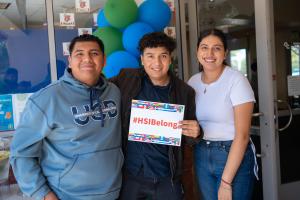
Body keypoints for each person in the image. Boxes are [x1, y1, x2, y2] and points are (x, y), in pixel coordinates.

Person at [10, 34, 123, 200]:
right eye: (79, 54)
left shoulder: (115, 92)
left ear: (104, 60)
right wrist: (43, 194)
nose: (87, 59)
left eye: (94, 53)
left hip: (114, 193)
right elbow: (21, 154)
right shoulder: (46, 99)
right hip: (67, 195)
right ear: (70, 60)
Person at [110, 32, 201, 200]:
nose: (157, 63)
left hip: (167, 177)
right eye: (150, 56)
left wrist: (196, 133)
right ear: (142, 59)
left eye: (163, 56)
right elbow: (99, 87)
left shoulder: (184, 91)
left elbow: (190, 138)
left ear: (170, 59)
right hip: (131, 175)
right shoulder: (127, 79)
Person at [188, 29, 256, 200]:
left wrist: (226, 183)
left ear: (225, 53)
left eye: (216, 48)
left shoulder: (237, 80)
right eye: (204, 47)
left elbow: (242, 135)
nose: (209, 53)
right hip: (201, 152)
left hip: (231, 154)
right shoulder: (192, 82)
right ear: (197, 51)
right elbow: (190, 122)